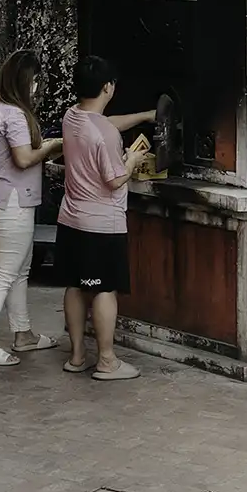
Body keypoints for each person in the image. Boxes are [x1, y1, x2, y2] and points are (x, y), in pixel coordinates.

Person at [54, 55, 155, 381]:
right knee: (103, 289)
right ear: (108, 87)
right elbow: (114, 179)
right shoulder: (106, 137)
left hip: (70, 218)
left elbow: (106, 124)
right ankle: (107, 361)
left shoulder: (72, 117)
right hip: (102, 225)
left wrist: (144, 116)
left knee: (74, 285)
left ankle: (77, 356)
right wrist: (133, 159)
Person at [0, 50, 63, 367]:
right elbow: (24, 159)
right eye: (35, 80)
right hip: (12, 202)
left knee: (20, 271)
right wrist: (52, 145)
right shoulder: (12, 113)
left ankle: (23, 334)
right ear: (25, 81)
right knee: (3, 275)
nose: (37, 86)